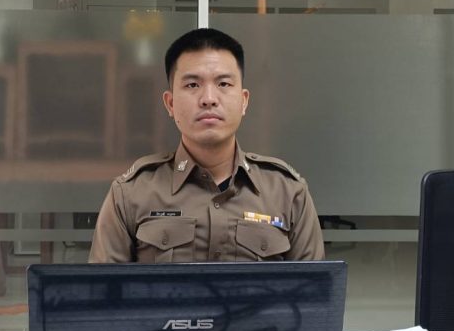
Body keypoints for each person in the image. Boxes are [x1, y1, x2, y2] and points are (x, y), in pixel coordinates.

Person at [89, 27, 325, 263]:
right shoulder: (132, 193)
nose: (209, 99)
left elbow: (316, 285)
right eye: (193, 85)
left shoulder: (287, 192)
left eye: (223, 84)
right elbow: (103, 285)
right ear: (170, 103)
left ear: (243, 101)